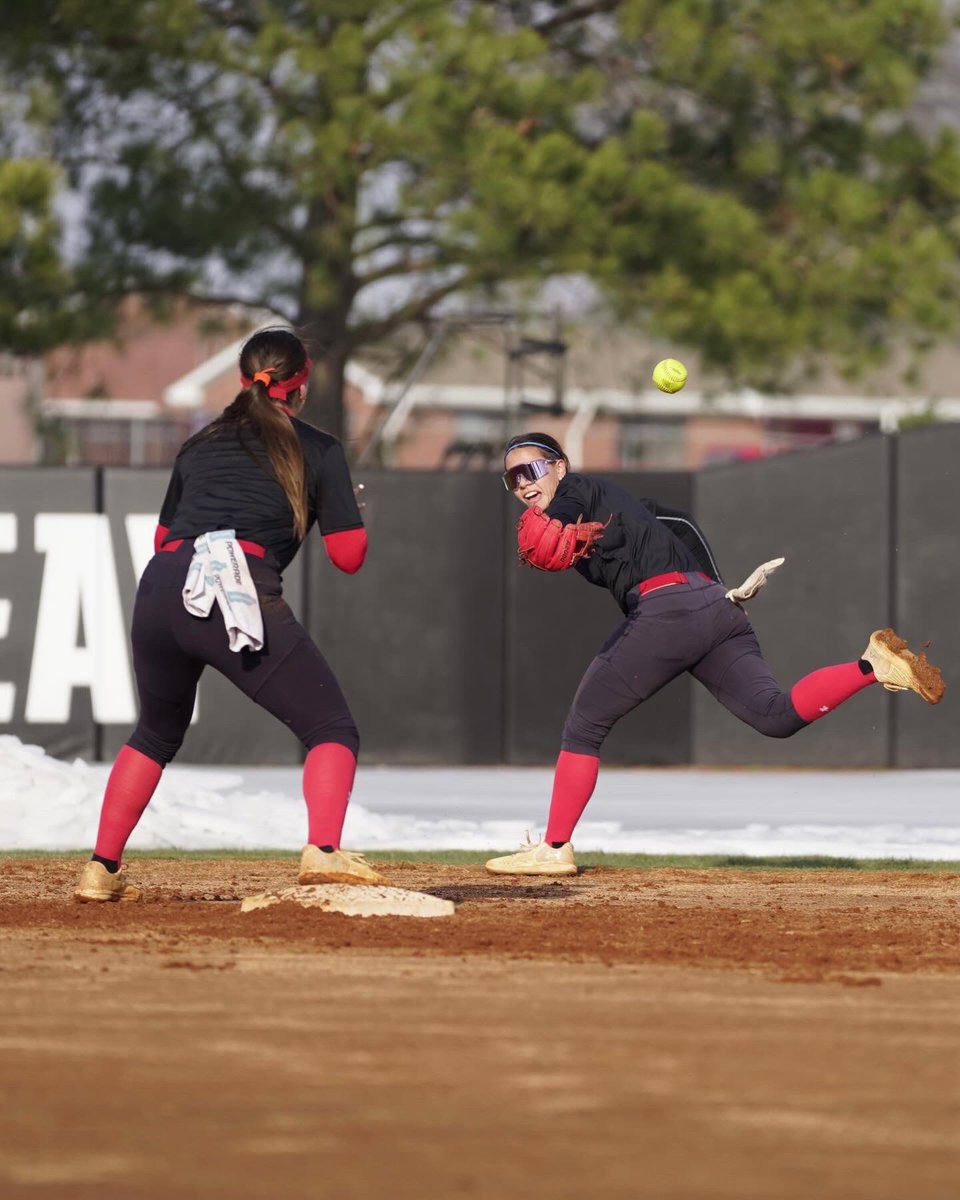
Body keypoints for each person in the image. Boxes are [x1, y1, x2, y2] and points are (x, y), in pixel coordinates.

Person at [485, 431, 946, 877]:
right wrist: (716, 589)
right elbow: (679, 522)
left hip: (665, 610)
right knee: (775, 715)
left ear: (559, 466)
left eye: (531, 469)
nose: (523, 483)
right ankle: (871, 665)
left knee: (584, 726)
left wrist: (559, 521)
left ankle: (555, 848)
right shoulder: (614, 503)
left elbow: (567, 505)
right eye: (512, 479)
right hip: (714, 609)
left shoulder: (574, 490)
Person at [75, 327, 383, 901]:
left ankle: (101, 869)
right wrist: (341, 507)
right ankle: (322, 850)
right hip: (233, 584)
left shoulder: (200, 444)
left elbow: (164, 536)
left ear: (243, 379)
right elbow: (349, 557)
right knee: (332, 729)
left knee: (156, 731)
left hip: (163, 585)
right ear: (302, 384)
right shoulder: (317, 448)